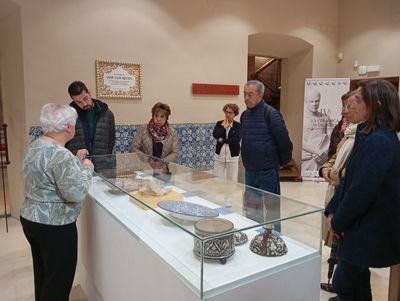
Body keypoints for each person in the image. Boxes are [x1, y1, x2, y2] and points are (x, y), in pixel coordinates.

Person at [325, 80, 400, 300]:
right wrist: (333, 209)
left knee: (344, 281)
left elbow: (361, 191)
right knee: (356, 280)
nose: (350, 105)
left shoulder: (380, 141)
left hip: (368, 227)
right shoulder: (366, 135)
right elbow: (349, 180)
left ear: (375, 104)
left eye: (358, 99)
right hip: (359, 226)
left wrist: (339, 221)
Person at [20, 103, 94, 301]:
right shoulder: (61, 155)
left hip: (31, 219)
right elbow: (75, 194)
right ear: (68, 127)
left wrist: (75, 161)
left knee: (44, 274)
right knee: (58, 282)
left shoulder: (35, 146)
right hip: (54, 226)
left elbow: (50, 178)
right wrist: (87, 168)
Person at [241, 80, 293, 230]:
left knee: (272, 211)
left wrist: (278, 163)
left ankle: (273, 240)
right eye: (245, 94)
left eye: (250, 95)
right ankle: (254, 236)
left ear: (260, 95)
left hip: (267, 172)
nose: (246, 98)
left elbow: (284, 142)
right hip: (250, 171)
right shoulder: (245, 115)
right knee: (251, 209)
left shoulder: (271, 114)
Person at [66, 81, 115, 172]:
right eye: (78, 102)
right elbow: (64, 142)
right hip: (78, 165)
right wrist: (75, 154)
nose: (84, 104)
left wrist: (105, 155)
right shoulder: (68, 115)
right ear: (73, 100)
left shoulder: (106, 113)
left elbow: (111, 139)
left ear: (89, 92)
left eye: (85, 99)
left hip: (103, 165)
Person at [302, 88, 332, 175]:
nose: (314, 104)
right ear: (306, 101)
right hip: (305, 158)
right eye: (311, 101)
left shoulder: (325, 117)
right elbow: (297, 139)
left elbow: (331, 138)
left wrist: (324, 153)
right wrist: (316, 151)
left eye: (317, 101)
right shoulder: (301, 117)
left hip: (320, 159)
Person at [212, 103, 241, 182]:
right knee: (216, 180)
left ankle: (230, 194)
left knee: (232, 180)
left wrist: (222, 140)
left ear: (235, 114)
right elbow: (215, 134)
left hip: (232, 157)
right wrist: (224, 127)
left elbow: (236, 140)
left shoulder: (238, 126)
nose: (227, 114)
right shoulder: (220, 123)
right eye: (226, 112)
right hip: (219, 156)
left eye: (230, 112)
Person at [327, 92, 351, 159]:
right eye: (343, 105)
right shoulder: (337, 128)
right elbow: (331, 153)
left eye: (348, 106)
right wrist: (325, 168)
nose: (344, 109)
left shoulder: (360, 129)